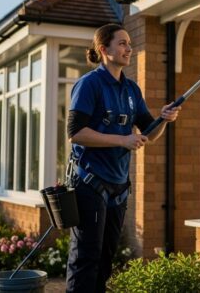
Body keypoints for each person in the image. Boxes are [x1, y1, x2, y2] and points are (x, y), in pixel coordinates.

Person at [65, 23, 180, 292]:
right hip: (89, 184)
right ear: (104, 50)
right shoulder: (89, 85)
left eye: (129, 43)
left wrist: (163, 119)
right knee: (85, 260)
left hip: (117, 188)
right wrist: (123, 140)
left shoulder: (131, 89)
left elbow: (149, 134)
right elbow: (75, 133)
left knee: (105, 260)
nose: (129, 48)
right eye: (122, 43)